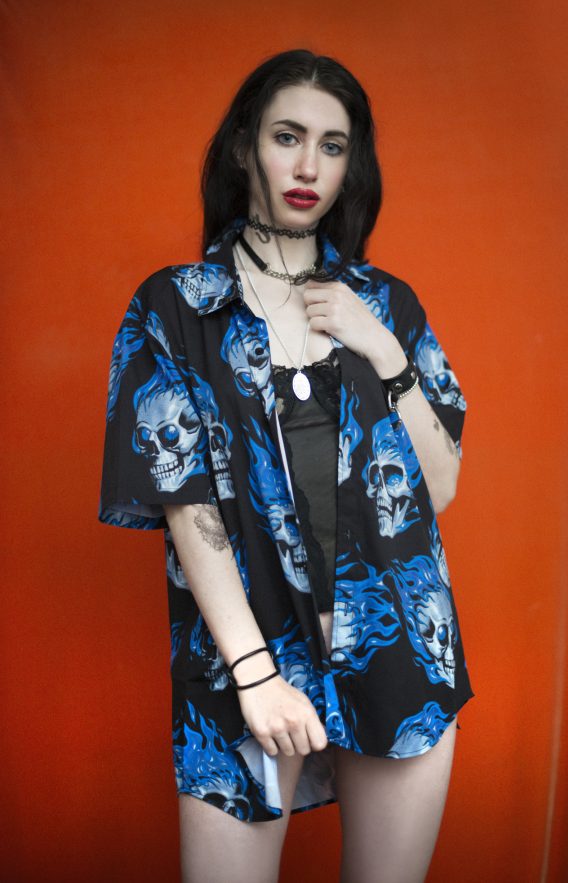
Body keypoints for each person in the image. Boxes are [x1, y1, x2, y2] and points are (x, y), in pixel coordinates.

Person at [99, 49, 474, 883]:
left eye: (333, 146)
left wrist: (381, 348)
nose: (309, 167)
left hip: (397, 653)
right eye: (287, 136)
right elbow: (187, 505)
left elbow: (439, 486)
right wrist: (254, 672)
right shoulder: (176, 306)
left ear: (351, 164)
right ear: (244, 148)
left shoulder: (388, 303)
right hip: (247, 661)